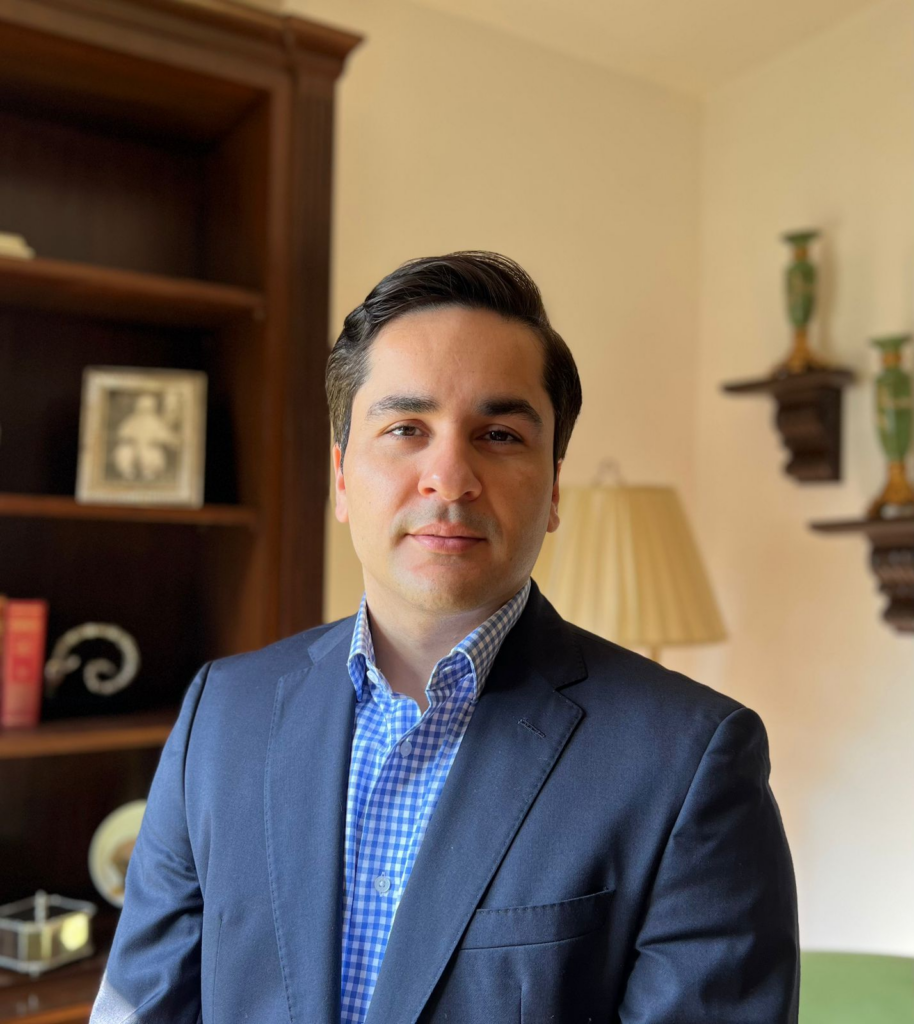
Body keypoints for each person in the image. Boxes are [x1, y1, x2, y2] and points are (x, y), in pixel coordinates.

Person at [90, 251, 799, 1024]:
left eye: (499, 434)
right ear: (340, 477)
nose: (450, 477)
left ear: (553, 488)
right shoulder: (222, 713)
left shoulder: (689, 762)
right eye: (405, 428)